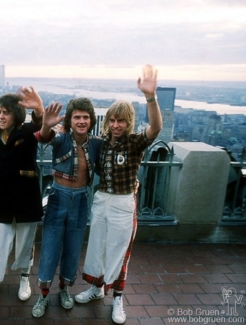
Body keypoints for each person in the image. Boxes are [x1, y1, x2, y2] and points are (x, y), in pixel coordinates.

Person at [75, 64, 163, 324]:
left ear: (129, 123)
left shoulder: (135, 142)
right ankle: (96, 288)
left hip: (124, 202)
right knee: (98, 247)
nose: (115, 125)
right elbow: (78, 138)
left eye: (121, 121)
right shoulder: (101, 144)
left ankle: (118, 299)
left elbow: (156, 128)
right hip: (102, 199)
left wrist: (150, 97)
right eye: (112, 120)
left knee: (120, 251)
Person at [30, 98, 103, 317]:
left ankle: (64, 289)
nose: (81, 121)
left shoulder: (96, 143)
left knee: (73, 247)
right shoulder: (61, 138)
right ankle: (43, 295)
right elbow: (45, 137)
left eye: (85, 117)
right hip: (58, 196)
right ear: (70, 120)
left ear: (91, 120)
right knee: (50, 246)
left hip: (81, 199)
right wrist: (46, 123)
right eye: (77, 117)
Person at [0, 87, 45, 301]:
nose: (1, 116)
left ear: (15, 114)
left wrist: (39, 109)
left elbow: (39, 125)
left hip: (27, 197)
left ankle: (24, 277)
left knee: (26, 241)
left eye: (6, 112)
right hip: (4, 199)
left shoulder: (26, 132)